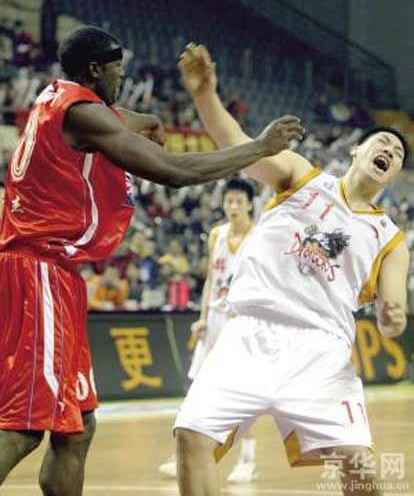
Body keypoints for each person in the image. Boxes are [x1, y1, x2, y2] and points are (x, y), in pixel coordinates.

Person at [0, 27, 304, 495]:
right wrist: (260, 148)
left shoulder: (57, 98)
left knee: (76, 427)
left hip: (51, 273)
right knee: (24, 426)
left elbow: (114, 118)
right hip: (37, 270)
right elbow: (174, 171)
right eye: (117, 69)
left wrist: (146, 119)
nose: (123, 77)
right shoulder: (82, 113)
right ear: (95, 70)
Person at [173, 44, 410, 496]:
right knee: (191, 436)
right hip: (248, 333)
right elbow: (237, 145)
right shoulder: (302, 176)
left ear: (393, 173)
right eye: (382, 142)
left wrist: (391, 317)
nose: (389, 149)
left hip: (321, 349)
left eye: (397, 152)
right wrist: (205, 96)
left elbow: (392, 312)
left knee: (358, 465)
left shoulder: (390, 239)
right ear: (356, 150)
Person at [160, 178, 258, 483]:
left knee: (240, 392)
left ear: (249, 204)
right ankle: (182, 453)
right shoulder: (216, 234)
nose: (233, 206)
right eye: (229, 201)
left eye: (238, 201)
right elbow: (210, 281)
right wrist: (202, 317)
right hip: (214, 319)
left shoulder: (259, 237)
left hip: (241, 321)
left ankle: (248, 459)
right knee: (197, 390)